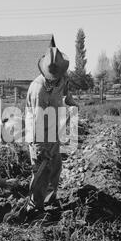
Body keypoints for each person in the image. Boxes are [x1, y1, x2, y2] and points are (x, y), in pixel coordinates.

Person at [25, 47, 78, 215]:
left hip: (54, 127)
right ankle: (35, 207)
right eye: (53, 77)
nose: (56, 79)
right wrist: (40, 147)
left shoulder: (62, 78)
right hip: (37, 132)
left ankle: (50, 200)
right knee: (41, 170)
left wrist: (72, 103)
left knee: (55, 167)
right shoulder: (38, 89)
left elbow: (66, 94)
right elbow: (36, 120)